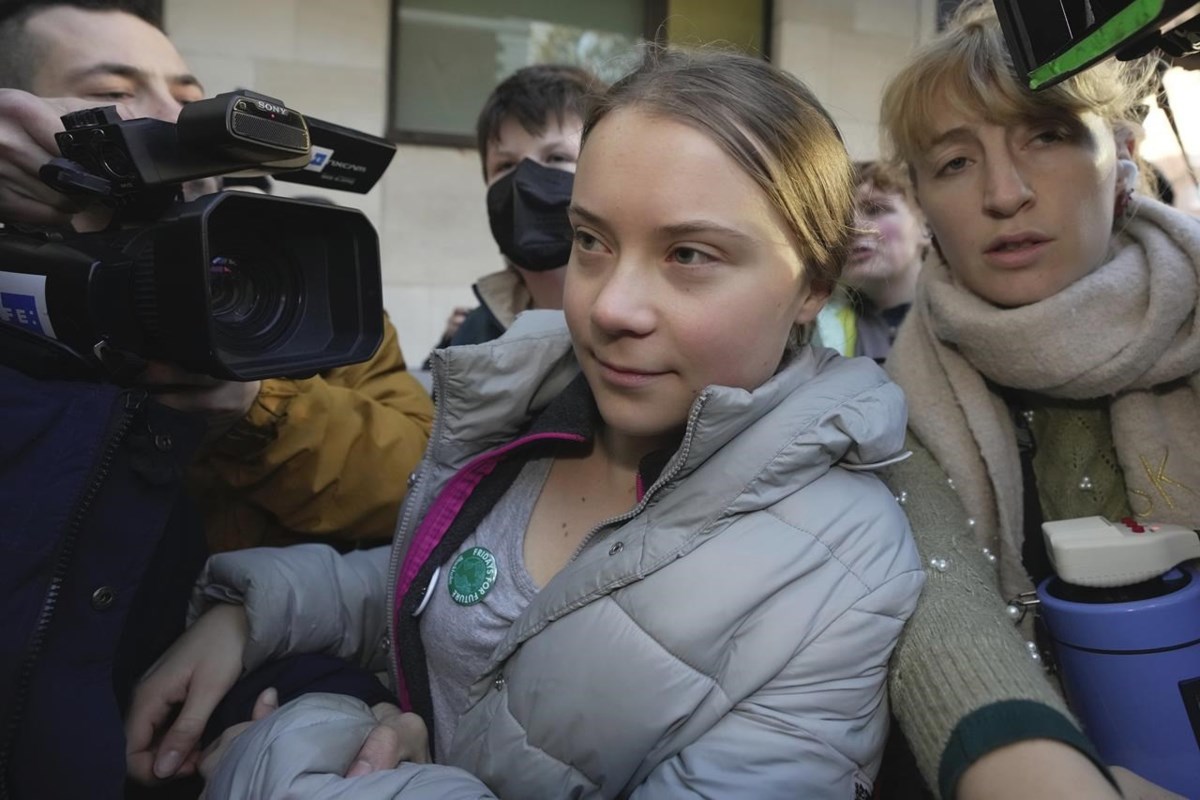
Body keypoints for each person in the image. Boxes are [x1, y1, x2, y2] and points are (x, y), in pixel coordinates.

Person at [126, 47, 925, 798]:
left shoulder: (847, 576)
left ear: (814, 282)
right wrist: (254, 613)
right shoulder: (524, 405)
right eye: (591, 241)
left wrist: (289, 759)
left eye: (689, 255)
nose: (610, 306)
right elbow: (441, 585)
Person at [876, 2, 1200, 798]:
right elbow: (940, 610)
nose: (1005, 193)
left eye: (1047, 136)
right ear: (919, 200)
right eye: (954, 162)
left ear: (1122, 157)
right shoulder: (890, 408)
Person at [0, 0, 435, 553]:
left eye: (187, 98)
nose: (170, 115)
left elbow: (418, 480)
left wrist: (255, 410)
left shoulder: (298, 262)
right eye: (112, 94)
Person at [447, 63, 605, 347]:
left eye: (556, 158)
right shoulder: (473, 339)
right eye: (506, 165)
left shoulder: (634, 326)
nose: (524, 181)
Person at [815, 161, 928, 363]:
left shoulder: (970, 313)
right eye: (840, 219)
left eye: (876, 209)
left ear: (927, 226)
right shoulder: (815, 334)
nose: (854, 228)